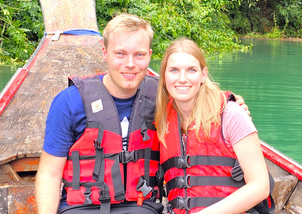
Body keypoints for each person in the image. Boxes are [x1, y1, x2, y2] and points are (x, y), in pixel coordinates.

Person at [36, 14, 248, 214]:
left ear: (149, 55)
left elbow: (201, 98)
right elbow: (50, 175)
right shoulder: (69, 102)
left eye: (139, 55)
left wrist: (232, 103)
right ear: (104, 52)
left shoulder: (165, 97)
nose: (130, 64)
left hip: (141, 207)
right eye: (120, 54)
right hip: (81, 208)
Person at [155, 38, 273, 214]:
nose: (182, 79)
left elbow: (260, 186)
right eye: (174, 70)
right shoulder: (162, 121)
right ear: (164, 75)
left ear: (203, 74)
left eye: (191, 70)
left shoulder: (231, 114)